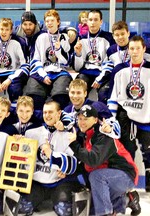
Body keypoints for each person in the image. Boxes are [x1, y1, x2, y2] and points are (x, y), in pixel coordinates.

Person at [69, 104, 138, 216]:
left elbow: (93, 160)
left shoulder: (103, 134)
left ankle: (105, 213)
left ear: (96, 120)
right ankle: (128, 199)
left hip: (126, 175)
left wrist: (73, 144)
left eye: (86, 119)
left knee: (96, 176)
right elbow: (86, 162)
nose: (82, 122)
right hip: (111, 176)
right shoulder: (87, 135)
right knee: (91, 211)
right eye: (80, 119)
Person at [20, 99, 82, 215]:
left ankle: (61, 199)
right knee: (24, 207)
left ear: (59, 114)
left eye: (50, 112)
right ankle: (39, 199)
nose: (47, 115)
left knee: (64, 211)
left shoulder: (68, 135)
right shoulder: (31, 133)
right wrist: (18, 141)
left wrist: (52, 156)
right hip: (37, 183)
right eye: (45, 112)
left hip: (59, 183)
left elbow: (73, 164)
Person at [108, 36, 150, 193]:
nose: (134, 51)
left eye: (138, 48)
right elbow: (113, 97)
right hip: (126, 118)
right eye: (131, 48)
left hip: (147, 117)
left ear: (144, 49)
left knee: (148, 151)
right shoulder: (120, 70)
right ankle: (128, 186)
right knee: (128, 152)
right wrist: (112, 120)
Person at [24, 9, 73, 110]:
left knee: (61, 96)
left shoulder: (64, 37)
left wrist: (59, 50)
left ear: (58, 22)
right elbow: (35, 60)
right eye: (47, 21)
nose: (49, 23)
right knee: (34, 95)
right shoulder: (40, 37)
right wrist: (43, 75)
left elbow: (66, 62)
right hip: (43, 72)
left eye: (52, 20)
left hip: (60, 72)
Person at [0, 18, 28, 107]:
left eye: (7, 30)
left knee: (15, 91)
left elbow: (24, 66)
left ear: (11, 31)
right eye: (2, 29)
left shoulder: (17, 43)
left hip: (13, 74)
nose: (4, 32)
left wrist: (10, 79)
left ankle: (13, 114)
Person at [73, 9, 115, 104]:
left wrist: (100, 79)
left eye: (96, 20)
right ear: (87, 21)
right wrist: (78, 54)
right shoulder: (81, 38)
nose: (93, 23)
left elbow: (110, 62)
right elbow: (77, 67)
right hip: (85, 73)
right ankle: (80, 115)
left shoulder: (109, 38)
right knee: (77, 90)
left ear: (101, 22)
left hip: (103, 73)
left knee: (104, 94)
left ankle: (102, 118)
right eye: (90, 19)